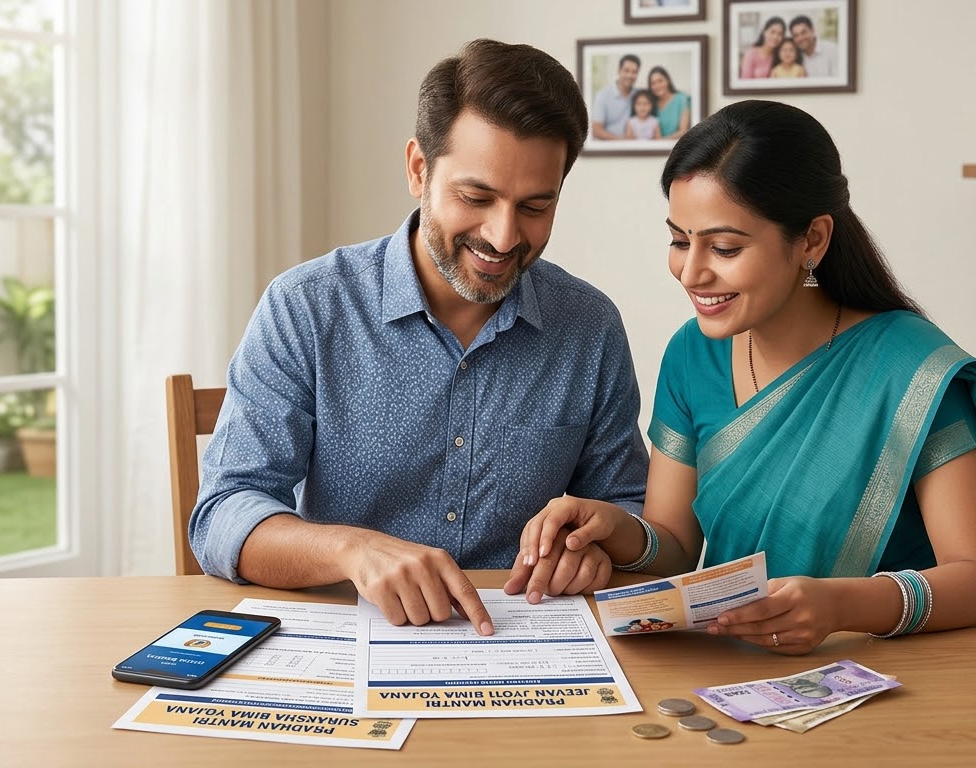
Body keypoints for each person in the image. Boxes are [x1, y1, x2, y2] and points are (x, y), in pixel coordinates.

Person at [505, 100, 976, 654]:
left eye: (724, 247)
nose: (692, 271)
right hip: (730, 669)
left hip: (886, 676)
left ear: (813, 240)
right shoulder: (691, 356)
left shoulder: (908, 369)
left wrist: (838, 607)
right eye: (679, 240)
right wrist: (611, 525)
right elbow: (676, 549)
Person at [192, 39, 650, 637]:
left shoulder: (589, 328)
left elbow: (631, 513)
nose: (504, 235)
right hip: (343, 642)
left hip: (523, 649)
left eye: (535, 206)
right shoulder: (305, 307)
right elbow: (224, 515)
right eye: (476, 197)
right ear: (418, 169)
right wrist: (350, 552)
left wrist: (598, 546)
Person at [592, 54, 640, 140]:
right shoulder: (603, 95)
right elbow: (596, 131)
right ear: (619, 71)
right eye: (626, 71)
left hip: (634, 146)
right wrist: (623, 140)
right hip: (609, 148)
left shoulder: (639, 95)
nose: (630, 75)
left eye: (634, 72)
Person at [646, 66, 691, 140]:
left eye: (660, 81)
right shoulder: (651, 103)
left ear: (668, 80)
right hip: (655, 148)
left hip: (676, 146)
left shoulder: (682, 99)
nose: (657, 86)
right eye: (653, 83)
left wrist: (662, 141)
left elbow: (683, 131)